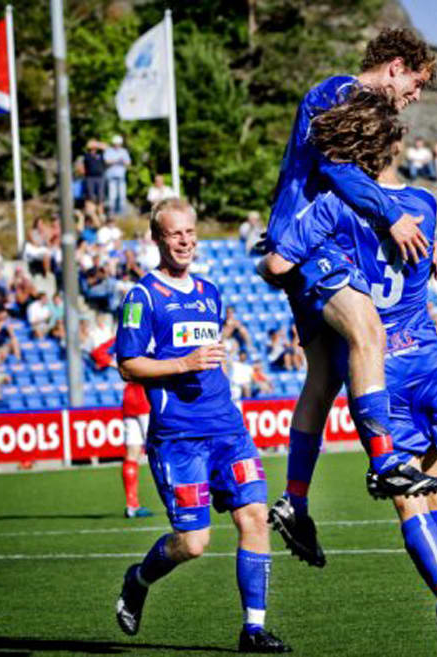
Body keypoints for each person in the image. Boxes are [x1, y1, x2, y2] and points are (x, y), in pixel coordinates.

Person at [263, 105, 437, 654]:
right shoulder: (425, 204)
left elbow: (277, 266)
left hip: (381, 368)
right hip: (429, 356)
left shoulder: (333, 204)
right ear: (394, 148)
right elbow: (425, 259)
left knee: (408, 497)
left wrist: (289, 264)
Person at [259, 28, 437, 517]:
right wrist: (394, 215)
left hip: (314, 243)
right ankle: (384, 462)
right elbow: (339, 171)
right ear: (396, 67)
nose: (416, 96)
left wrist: (426, 237)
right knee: (369, 334)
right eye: (416, 83)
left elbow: (353, 185)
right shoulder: (340, 91)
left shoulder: (359, 106)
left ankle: (296, 500)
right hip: (309, 244)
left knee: (323, 378)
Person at [113, 198, 290, 652]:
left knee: (255, 517)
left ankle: (253, 629)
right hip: (179, 438)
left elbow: (210, 359)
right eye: (175, 233)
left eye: (190, 232)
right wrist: (183, 363)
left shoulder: (210, 292)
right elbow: (128, 365)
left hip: (228, 430)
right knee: (193, 543)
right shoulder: (142, 297)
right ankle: (138, 579)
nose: (185, 241)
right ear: (157, 239)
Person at [121, 381, 153, 519]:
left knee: (132, 453)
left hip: (129, 400)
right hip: (145, 399)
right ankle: (175, 499)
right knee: (159, 449)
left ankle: (132, 505)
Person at [104, 135, 132, 217]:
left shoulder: (124, 151)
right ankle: (111, 214)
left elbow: (128, 163)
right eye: (116, 143)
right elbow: (106, 161)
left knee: (122, 196)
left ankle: (121, 215)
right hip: (111, 177)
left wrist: (123, 161)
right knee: (112, 196)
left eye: (118, 144)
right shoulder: (109, 151)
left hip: (121, 177)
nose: (117, 145)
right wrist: (117, 160)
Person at [83, 139, 107, 216]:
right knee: (90, 196)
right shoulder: (87, 155)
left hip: (100, 177)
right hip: (90, 177)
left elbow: (105, 146)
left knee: (100, 196)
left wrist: (96, 144)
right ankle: (91, 213)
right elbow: (88, 144)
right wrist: (94, 144)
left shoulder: (100, 154)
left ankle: (100, 213)